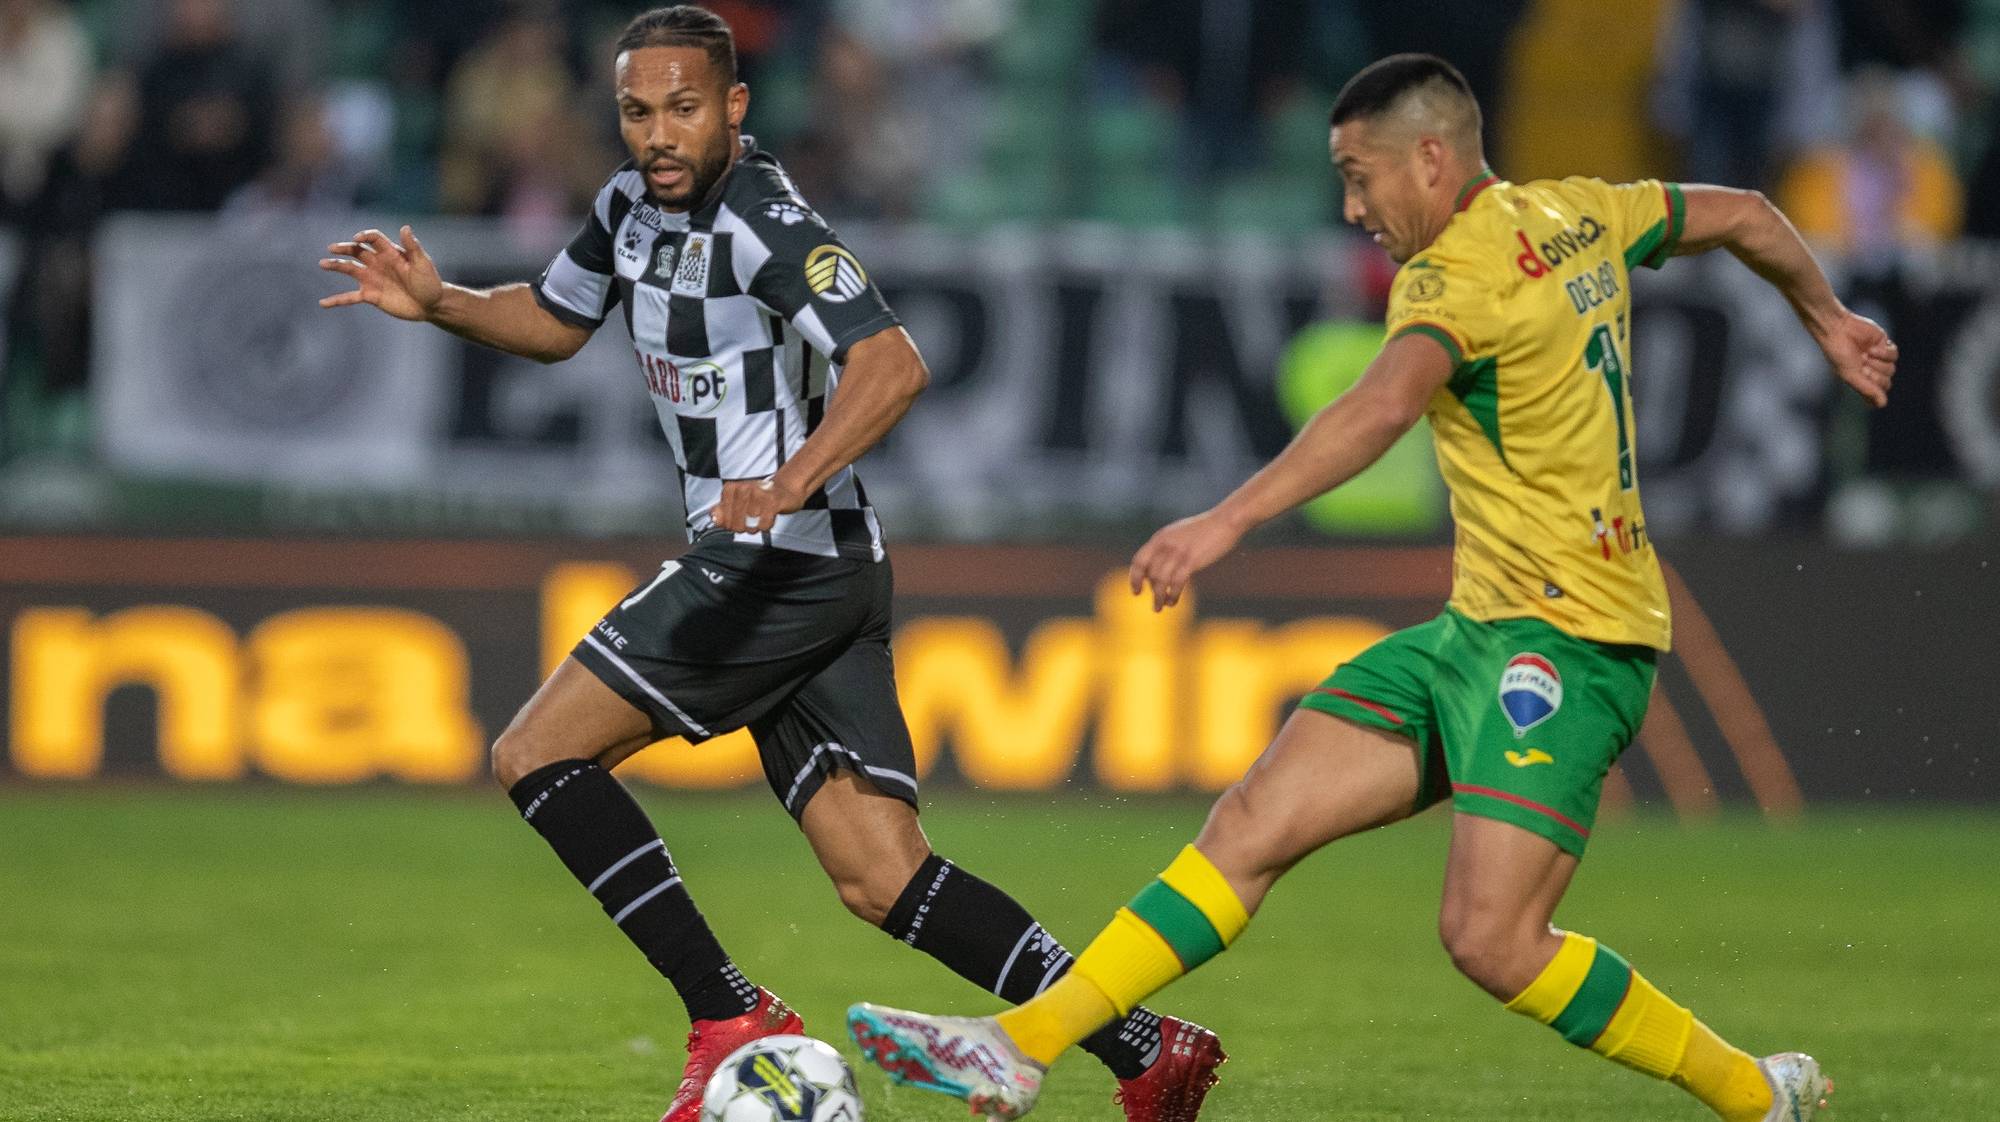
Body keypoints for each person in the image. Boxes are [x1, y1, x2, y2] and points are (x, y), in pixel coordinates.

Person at [846, 53, 1896, 1122]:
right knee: (1249, 823)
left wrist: (1226, 519)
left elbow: (1381, 406)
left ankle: (1754, 1096)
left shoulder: (1450, 276)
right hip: (1470, 634)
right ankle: (1019, 1046)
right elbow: (1749, 214)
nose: (1351, 208)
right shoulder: (1583, 214)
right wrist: (1823, 315)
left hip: (1565, 645)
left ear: (1430, 159)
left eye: (1358, 176)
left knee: (1491, 941)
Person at [316, 7, 1224, 1122]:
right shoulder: (625, 210)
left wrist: (787, 483)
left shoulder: (765, 219)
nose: (658, 134)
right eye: (637, 111)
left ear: (733, 108)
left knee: (535, 754)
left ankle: (728, 1011)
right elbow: (556, 321)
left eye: (683, 109)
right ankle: (1144, 1049)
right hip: (815, 568)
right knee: (879, 875)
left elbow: (890, 366)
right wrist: (442, 302)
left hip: (776, 561)